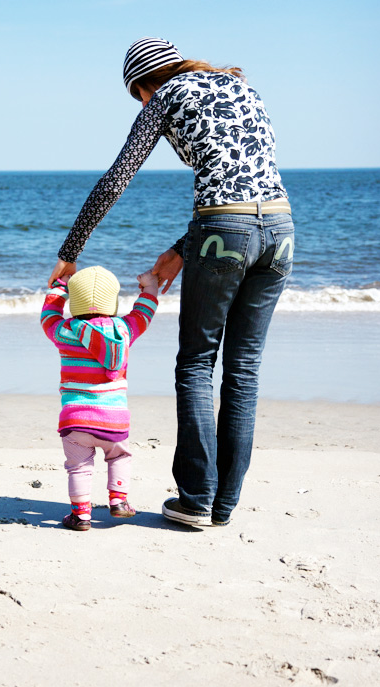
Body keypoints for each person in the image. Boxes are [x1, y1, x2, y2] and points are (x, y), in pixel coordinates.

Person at [48, 37, 294, 528]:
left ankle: (196, 500)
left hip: (223, 231)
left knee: (197, 363)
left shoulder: (163, 98)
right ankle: (223, 506)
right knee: (243, 371)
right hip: (282, 232)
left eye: (135, 95)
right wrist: (182, 248)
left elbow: (117, 179)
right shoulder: (243, 88)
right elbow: (246, 181)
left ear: (143, 85)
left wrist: (68, 255)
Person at [41, 264, 159, 531]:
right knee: (119, 457)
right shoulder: (124, 331)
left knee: (79, 467)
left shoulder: (64, 332)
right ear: (114, 302)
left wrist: (60, 286)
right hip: (113, 420)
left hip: (76, 419)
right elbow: (144, 313)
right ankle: (118, 500)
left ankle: (81, 516)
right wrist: (150, 287)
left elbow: (48, 315)